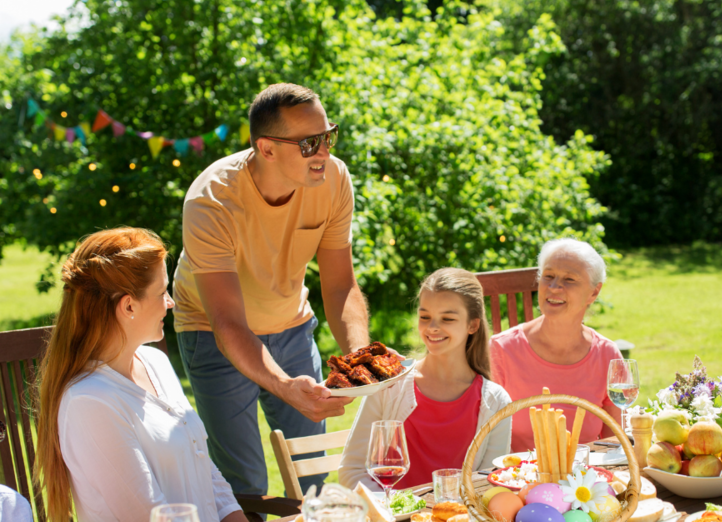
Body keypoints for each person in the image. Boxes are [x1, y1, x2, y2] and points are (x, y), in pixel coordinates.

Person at [173, 83, 369, 497]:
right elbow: (227, 322)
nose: (324, 153)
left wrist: (361, 362)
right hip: (213, 332)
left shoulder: (333, 179)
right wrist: (283, 386)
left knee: (311, 473)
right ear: (266, 149)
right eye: (309, 143)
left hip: (292, 325)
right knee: (244, 484)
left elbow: (339, 285)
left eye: (327, 136)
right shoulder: (211, 202)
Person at [34, 228, 246, 522]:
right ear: (129, 305)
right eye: (162, 292)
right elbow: (149, 516)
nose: (170, 302)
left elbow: (205, 471)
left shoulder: (154, 361)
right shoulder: (91, 402)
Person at [338, 268, 511, 490]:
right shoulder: (389, 387)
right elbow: (352, 470)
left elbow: (490, 483)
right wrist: (389, 509)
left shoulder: (496, 402)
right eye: (425, 316)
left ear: (473, 325)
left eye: (447, 318)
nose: (432, 328)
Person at [490, 238, 623, 452]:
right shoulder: (501, 351)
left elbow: (615, 441)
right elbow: (483, 439)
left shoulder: (607, 355)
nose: (553, 287)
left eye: (569, 279)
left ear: (594, 292)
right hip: (515, 478)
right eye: (548, 276)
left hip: (583, 480)